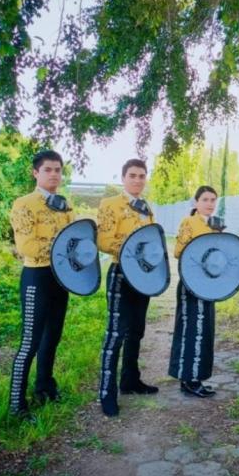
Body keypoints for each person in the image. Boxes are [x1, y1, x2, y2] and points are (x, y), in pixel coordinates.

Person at [8, 150, 74, 420]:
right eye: (48, 170)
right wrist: (61, 248)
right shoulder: (24, 204)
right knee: (30, 341)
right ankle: (16, 405)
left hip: (61, 279)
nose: (54, 174)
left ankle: (45, 388)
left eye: (58, 170)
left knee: (52, 338)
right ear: (36, 173)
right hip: (37, 277)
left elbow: (75, 241)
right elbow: (27, 247)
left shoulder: (65, 205)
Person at [97, 159, 160, 417]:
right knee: (116, 334)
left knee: (136, 331)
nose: (137, 180)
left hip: (142, 277)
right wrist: (134, 248)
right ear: (123, 178)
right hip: (121, 273)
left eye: (142, 176)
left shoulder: (147, 208)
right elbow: (103, 240)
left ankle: (130, 381)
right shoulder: (109, 204)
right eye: (132, 175)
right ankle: (106, 393)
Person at [168, 185, 224, 398]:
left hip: (209, 285)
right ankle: (189, 380)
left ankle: (197, 378)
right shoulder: (189, 222)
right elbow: (178, 251)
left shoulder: (216, 224)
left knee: (204, 331)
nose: (210, 204)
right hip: (192, 284)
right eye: (206, 199)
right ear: (196, 202)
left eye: (213, 200)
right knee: (191, 330)